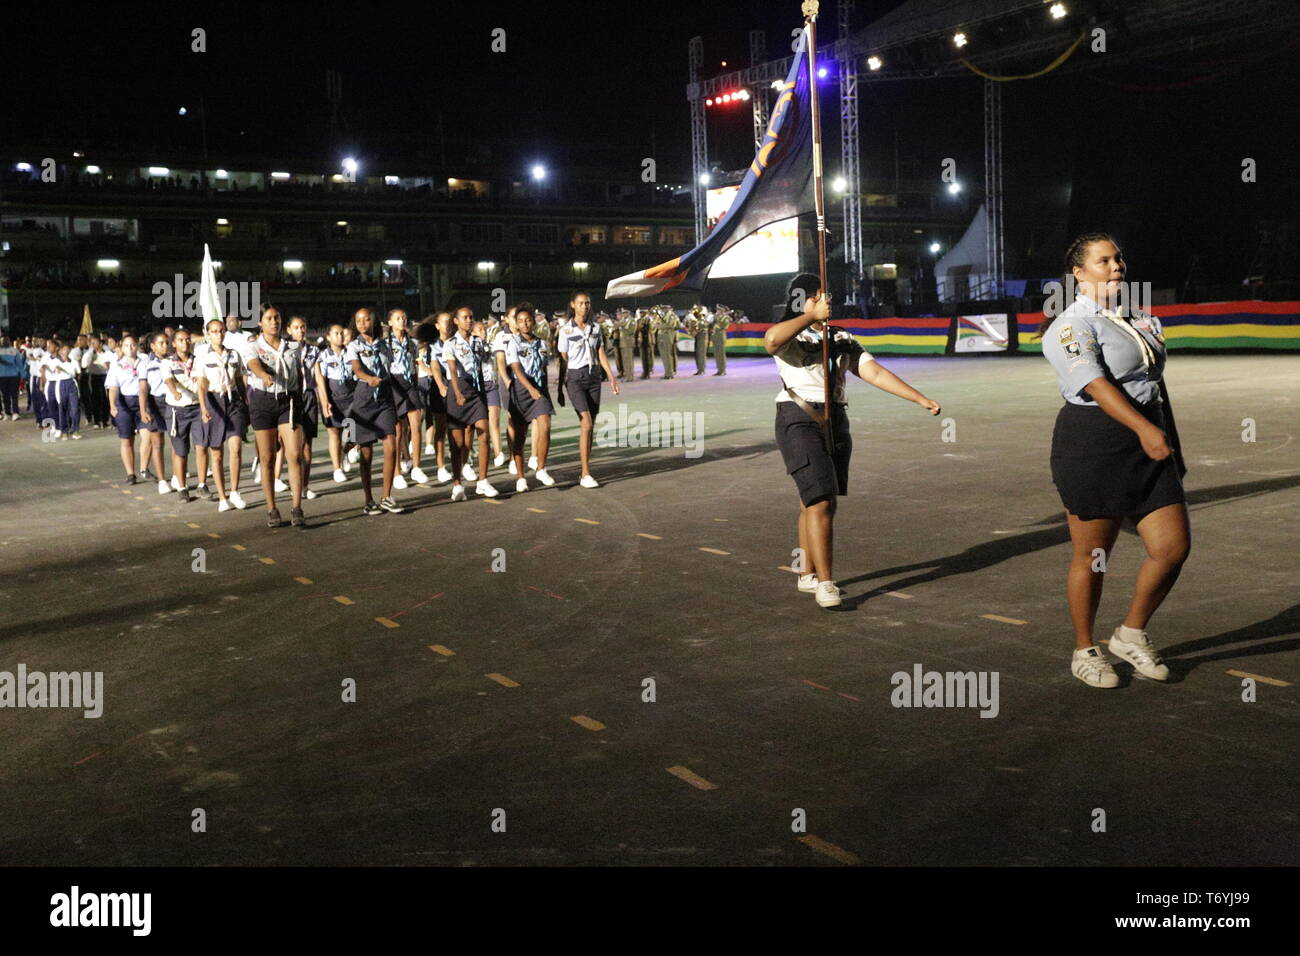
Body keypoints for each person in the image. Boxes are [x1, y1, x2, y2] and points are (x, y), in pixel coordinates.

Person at [1038, 233, 1188, 688]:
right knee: (1094, 555)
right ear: (1079, 273)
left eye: (1118, 258)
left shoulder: (1141, 318)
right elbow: (1094, 384)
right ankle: (1085, 649)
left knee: (1172, 549)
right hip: (1094, 443)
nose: (1116, 266)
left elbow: (1154, 387)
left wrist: (1166, 439)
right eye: (1102, 261)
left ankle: (1130, 633)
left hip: (1149, 440)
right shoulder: (1068, 326)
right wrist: (1144, 429)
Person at [764, 273, 941, 609]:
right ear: (803, 300)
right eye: (817, 296)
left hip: (836, 420)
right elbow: (771, 340)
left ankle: (806, 572)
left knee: (811, 500)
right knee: (821, 501)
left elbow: (873, 371)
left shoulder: (841, 336)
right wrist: (810, 317)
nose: (826, 300)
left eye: (825, 295)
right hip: (798, 416)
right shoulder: (789, 331)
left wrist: (919, 398)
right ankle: (826, 582)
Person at [242, 305, 308, 528]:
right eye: (269, 318)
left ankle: (297, 507)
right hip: (263, 400)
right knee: (268, 458)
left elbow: (298, 373)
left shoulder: (293, 346)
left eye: (277, 318)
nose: (274, 322)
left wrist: (299, 397)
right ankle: (271, 509)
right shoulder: (253, 345)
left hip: (288, 402)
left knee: (295, 454)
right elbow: (253, 365)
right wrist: (264, 375)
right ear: (260, 323)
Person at [555, 291, 620, 488]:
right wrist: (560, 387)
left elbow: (600, 353)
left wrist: (611, 377)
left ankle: (586, 469)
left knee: (589, 427)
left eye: (587, 303)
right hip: (575, 379)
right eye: (581, 303)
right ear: (573, 305)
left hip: (593, 379)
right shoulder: (565, 331)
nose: (585, 306)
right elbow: (563, 360)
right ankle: (584, 473)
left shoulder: (596, 328)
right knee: (587, 424)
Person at [345, 307, 404, 515]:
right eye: (358, 320)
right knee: (367, 453)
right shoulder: (353, 346)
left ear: (374, 321)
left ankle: (386, 496)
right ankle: (368, 499)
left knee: (391, 443)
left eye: (366, 319)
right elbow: (357, 369)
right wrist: (368, 378)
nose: (362, 323)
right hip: (364, 398)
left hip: (385, 398)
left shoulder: (386, 345)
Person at [194, 318, 250, 511]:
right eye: (214, 331)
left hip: (233, 400)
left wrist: (245, 401)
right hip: (213, 401)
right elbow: (201, 385)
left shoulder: (234, 355)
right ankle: (222, 497)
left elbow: (240, 380)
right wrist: (203, 408)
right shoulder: (202, 356)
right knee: (216, 454)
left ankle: (235, 491)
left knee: (235, 447)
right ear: (208, 334)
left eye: (221, 331)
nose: (219, 335)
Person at [444, 306, 498, 499]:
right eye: (464, 317)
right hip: (459, 389)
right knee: (457, 444)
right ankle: (457, 484)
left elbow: (487, 362)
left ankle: (483, 481)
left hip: (477, 391)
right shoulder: (449, 343)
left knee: (484, 435)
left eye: (471, 317)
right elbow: (451, 369)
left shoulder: (478, 342)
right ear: (456, 321)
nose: (468, 320)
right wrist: (457, 392)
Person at [503, 303, 556, 491]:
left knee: (545, 426)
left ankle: (541, 468)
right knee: (520, 435)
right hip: (521, 389)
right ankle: (520, 477)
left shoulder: (542, 342)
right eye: (520, 321)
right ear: (516, 324)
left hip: (539, 389)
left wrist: (544, 388)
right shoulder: (513, 343)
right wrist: (529, 388)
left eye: (528, 320)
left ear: (533, 322)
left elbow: (543, 366)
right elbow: (516, 368)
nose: (525, 324)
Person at [382, 309, 429, 488]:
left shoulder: (412, 343)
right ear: (390, 322)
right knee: (398, 429)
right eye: (398, 318)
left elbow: (415, 364)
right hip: (393, 383)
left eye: (404, 318)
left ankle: (416, 466)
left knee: (416, 425)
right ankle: (396, 473)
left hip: (409, 383)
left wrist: (415, 384)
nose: (402, 321)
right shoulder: (384, 343)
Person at [161, 329, 203, 502]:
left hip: (197, 407)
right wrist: (174, 392)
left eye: (187, 339)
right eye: (180, 340)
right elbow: (168, 379)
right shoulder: (168, 362)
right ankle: (182, 487)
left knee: (201, 446)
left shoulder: (198, 360)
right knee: (181, 450)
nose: (185, 343)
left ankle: (202, 484)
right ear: (174, 343)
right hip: (177, 410)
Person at [416, 312, 453, 483]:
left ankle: (464, 462)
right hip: (440, 387)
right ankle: (441, 467)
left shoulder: (459, 342)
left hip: (459, 385)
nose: (449, 325)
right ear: (437, 326)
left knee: (463, 428)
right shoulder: (432, 346)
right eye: (445, 322)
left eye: (451, 321)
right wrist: (441, 386)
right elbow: (435, 367)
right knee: (441, 428)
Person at [316, 323, 354, 485]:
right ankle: (337, 468)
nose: (340, 336)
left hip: (351, 396)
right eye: (336, 334)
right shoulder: (324, 356)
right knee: (334, 433)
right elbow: (321, 381)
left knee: (354, 431)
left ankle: (346, 451)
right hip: (334, 396)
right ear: (329, 337)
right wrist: (325, 401)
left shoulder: (351, 353)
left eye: (342, 333)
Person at [137, 332, 173, 494]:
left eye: (166, 342)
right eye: (161, 343)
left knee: (177, 440)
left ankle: (179, 476)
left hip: (173, 401)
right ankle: (162, 480)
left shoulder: (174, 360)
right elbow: (143, 388)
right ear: (152, 346)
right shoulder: (145, 364)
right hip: (155, 402)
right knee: (157, 442)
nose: (165, 346)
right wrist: (143, 409)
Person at [105, 334, 143, 483]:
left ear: (137, 346)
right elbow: (113, 387)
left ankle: (144, 468)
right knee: (127, 439)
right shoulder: (117, 365)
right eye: (126, 346)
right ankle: (130, 473)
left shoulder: (145, 362)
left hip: (142, 402)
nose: (130, 348)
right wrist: (112, 404)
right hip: (124, 402)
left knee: (148, 436)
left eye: (133, 345)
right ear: (121, 348)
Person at [0, 335, 25, 419]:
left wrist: (23, 375)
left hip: (14, 376)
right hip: (2, 376)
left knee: (14, 395)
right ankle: (7, 413)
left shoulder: (15, 351)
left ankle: (15, 413)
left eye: (6, 340)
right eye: (2, 340)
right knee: (5, 395)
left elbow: (20, 364)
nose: (4, 342)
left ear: (9, 341)